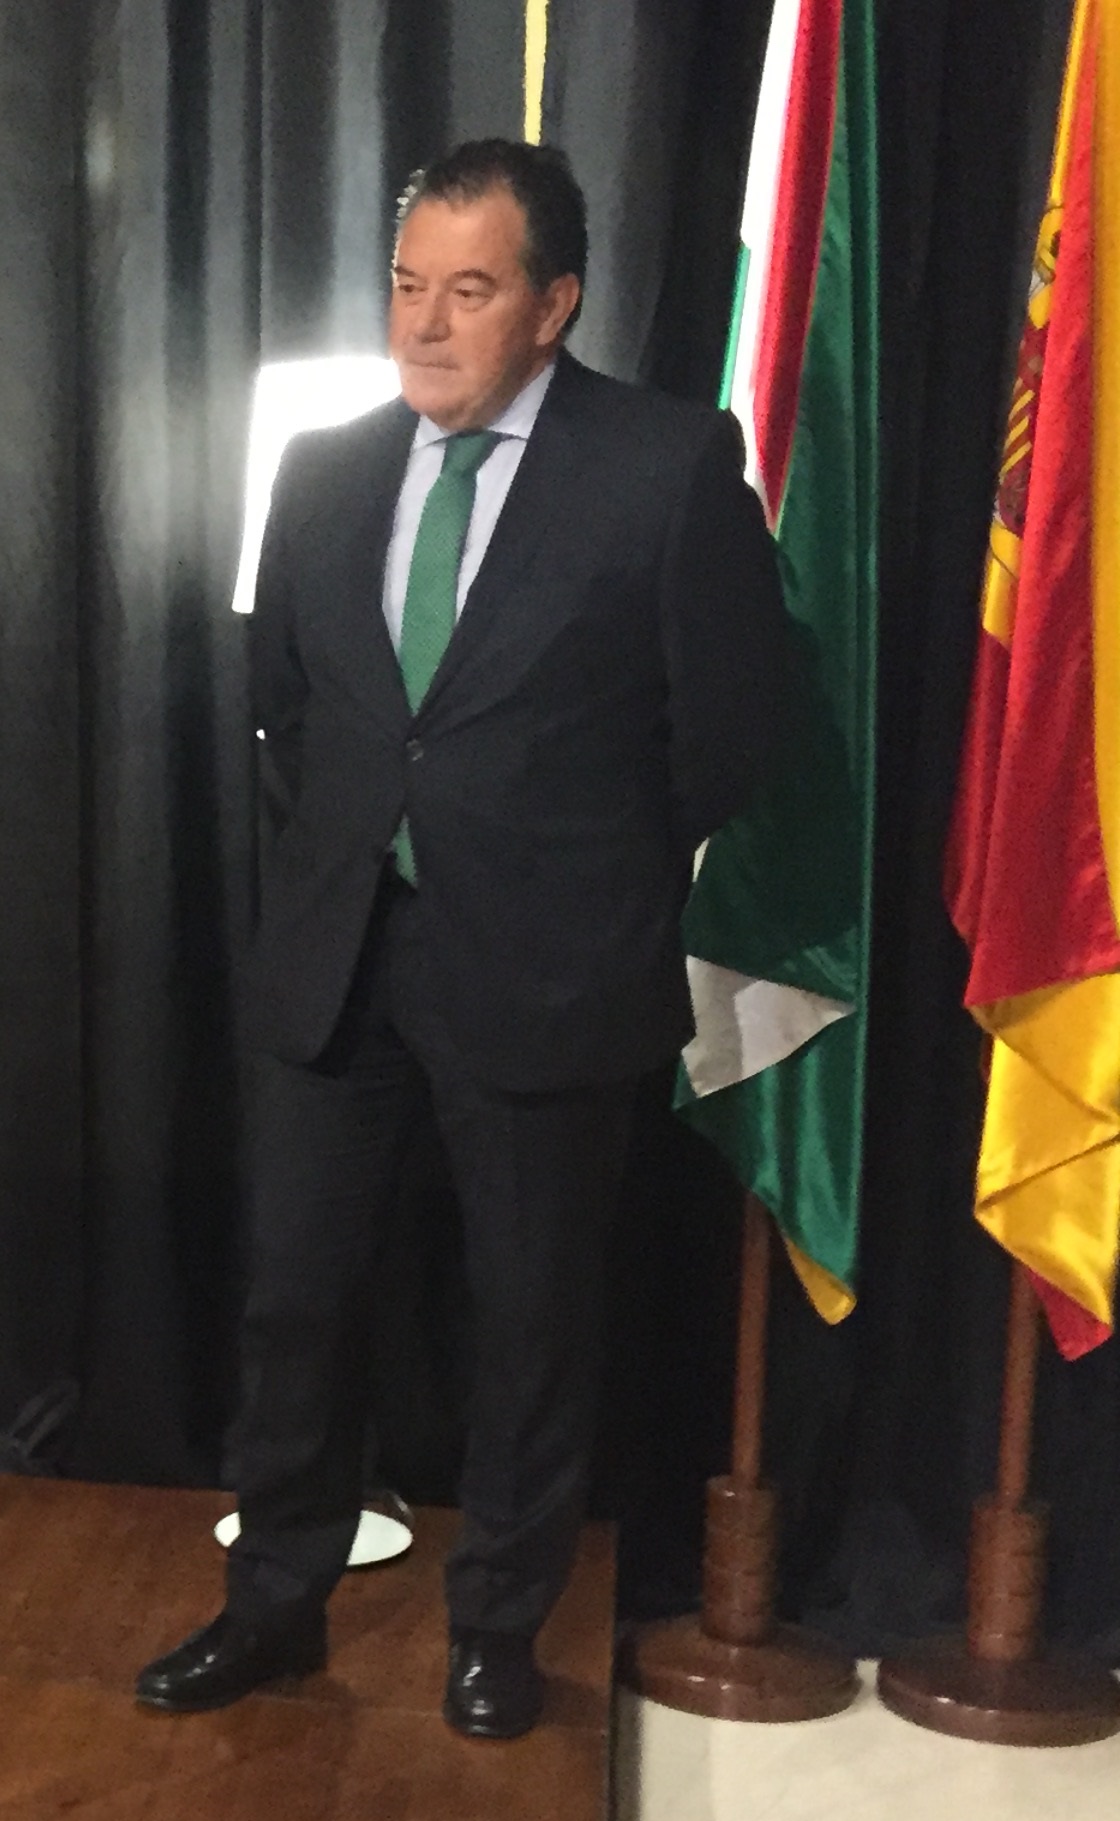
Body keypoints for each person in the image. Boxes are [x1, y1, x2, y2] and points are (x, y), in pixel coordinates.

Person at [138, 139, 791, 1739]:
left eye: (470, 291)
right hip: (342, 950)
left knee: (531, 1322)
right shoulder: (324, 465)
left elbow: (732, 735)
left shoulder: (666, 467)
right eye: (406, 286)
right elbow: (294, 707)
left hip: (550, 966)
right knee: (296, 1302)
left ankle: (498, 1628)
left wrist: (573, 861)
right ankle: (272, 1601)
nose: (423, 326)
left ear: (554, 304)